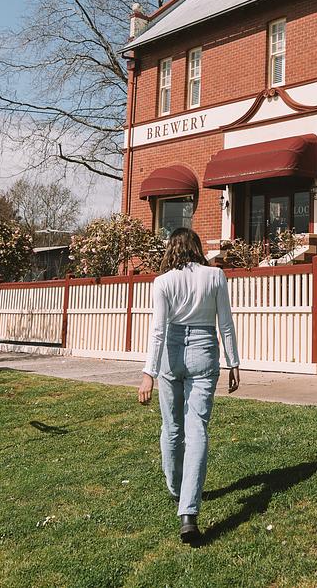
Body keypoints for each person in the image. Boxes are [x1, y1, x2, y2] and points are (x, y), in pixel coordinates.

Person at [137, 227, 240, 545]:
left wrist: (148, 373)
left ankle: (176, 489)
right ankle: (188, 512)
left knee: (171, 428)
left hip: (171, 354)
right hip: (204, 353)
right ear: (196, 248)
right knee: (197, 430)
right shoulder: (215, 276)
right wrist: (233, 362)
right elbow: (225, 321)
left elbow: (157, 330)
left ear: (172, 249)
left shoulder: (162, 282)